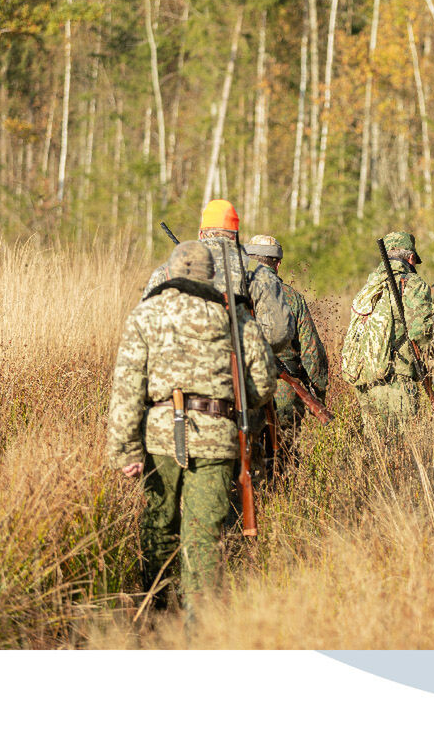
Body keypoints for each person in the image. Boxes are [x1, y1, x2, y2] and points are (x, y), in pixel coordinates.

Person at [107, 241, 278, 609]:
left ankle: (156, 616)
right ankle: (198, 633)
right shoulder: (234, 317)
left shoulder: (146, 313)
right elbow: (263, 382)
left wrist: (125, 449)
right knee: (202, 537)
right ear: (210, 275)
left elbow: (127, 386)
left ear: (170, 273)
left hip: (159, 437)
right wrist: (236, 406)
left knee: (157, 525)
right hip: (216, 438)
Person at [145, 199, 296, 355]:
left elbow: (144, 328)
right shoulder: (257, 273)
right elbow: (279, 334)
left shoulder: (165, 272)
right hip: (233, 373)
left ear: (201, 234)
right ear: (234, 237)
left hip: (172, 374)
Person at [341, 231, 434, 434]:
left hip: (364, 378)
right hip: (396, 379)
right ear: (410, 258)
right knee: (400, 446)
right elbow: (422, 334)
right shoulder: (412, 284)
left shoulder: (370, 286)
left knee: (375, 446)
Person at [245, 234, 329, 444]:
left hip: (243, 389)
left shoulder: (233, 293)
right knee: (283, 460)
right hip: (283, 392)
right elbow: (312, 352)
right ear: (278, 263)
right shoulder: (291, 297)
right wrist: (316, 393)